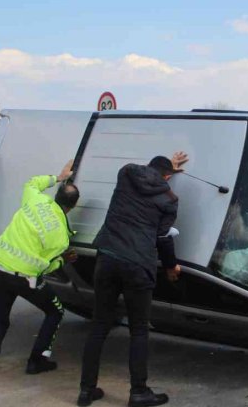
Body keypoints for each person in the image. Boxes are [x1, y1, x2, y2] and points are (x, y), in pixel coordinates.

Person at [78, 152, 188, 407]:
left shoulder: (126, 173)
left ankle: (86, 390)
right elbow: (162, 237)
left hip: (107, 258)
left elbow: (147, 172)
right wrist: (171, 266)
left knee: (99, 325)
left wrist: (165, 166)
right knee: (139, 330)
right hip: (138, 264)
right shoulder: (169, 198)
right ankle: (138, 392)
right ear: (169, 177)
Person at [0, 161, 80, 383]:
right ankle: (37, 361)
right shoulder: (61, 237)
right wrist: (63, 261)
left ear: (57, 194)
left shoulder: (35, 199)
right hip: (23, 278)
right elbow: (46, 266)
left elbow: (33, 182)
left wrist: (58, 176)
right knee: (55, 311)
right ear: (73, 206)